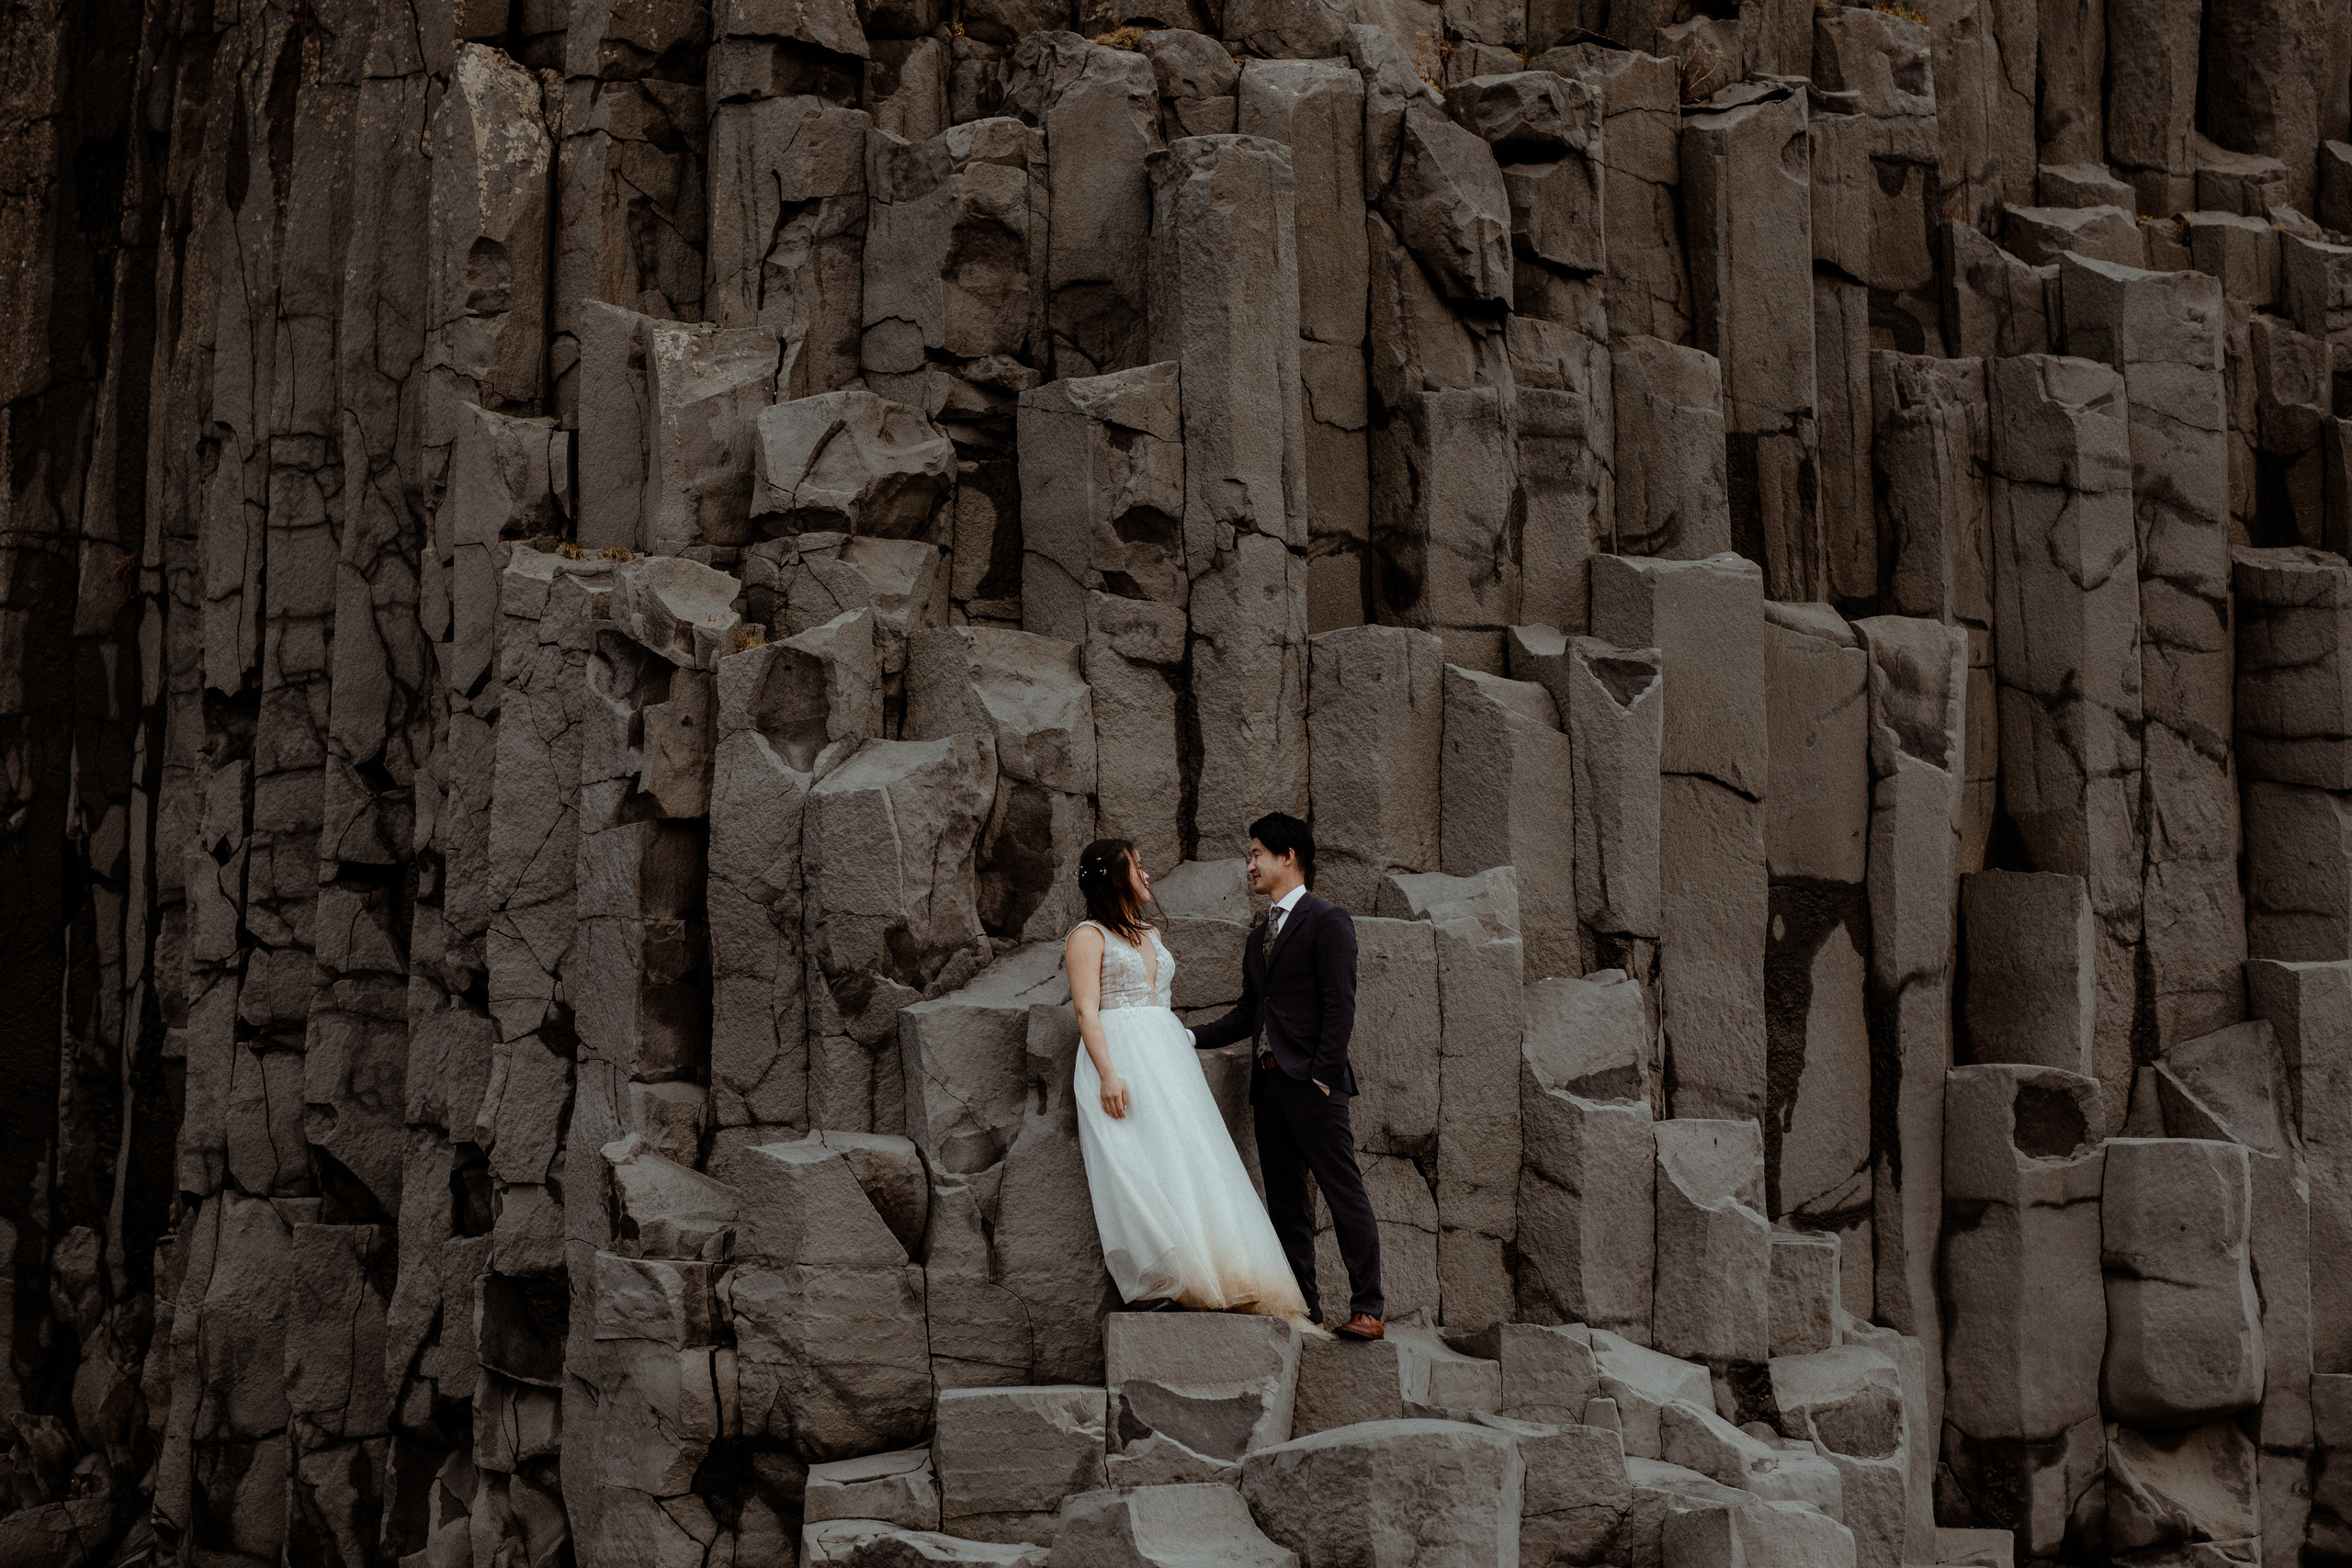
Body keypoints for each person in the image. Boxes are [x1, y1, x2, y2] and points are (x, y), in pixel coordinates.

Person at [1066, 838, 1314, 1326]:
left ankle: (1222, 1271)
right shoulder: (1087, 936)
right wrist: (1108, 1074)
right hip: (1121, 1055)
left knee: (1187, 1156)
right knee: (1134, 1162)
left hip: (1166, 1056)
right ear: (1115, 876)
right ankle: (1165, 1278)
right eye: (1137, 866)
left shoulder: (1150, 931)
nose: (1147, 875)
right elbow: (1085, 1011)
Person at [1187, 813, 1385, 1341]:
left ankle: (1368, 1308)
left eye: (1256, 853)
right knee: (1286, 1205)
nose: (1249, 865)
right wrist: (1185, 1036)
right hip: (1269, 1087)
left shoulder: (1329, 920)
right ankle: (1306, 1309)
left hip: (1315, 1086)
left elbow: (1340, 1005)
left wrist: (1322, 1076)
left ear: (1287, 856)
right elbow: (1248, 1013)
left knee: (1344, 1193)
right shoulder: (1258, 937)